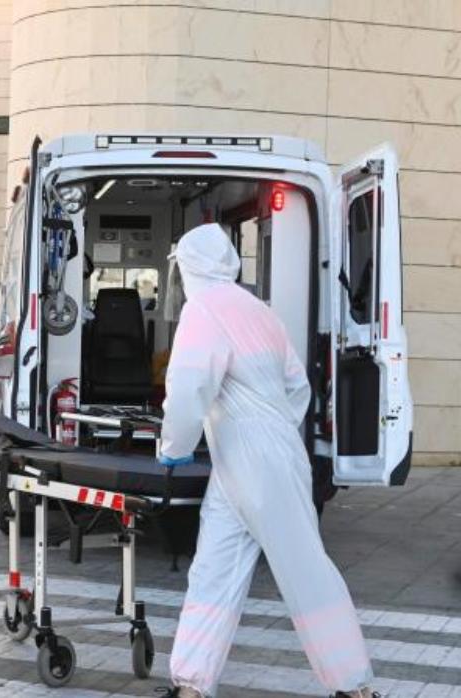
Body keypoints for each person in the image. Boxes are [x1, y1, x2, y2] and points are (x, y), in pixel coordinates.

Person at [157, 224, 377, 698]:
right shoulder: (260, 311)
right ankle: (191, 685)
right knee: (213, 571)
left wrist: (172, 448)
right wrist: (271, 422)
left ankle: (355, 688)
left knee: (304, 571)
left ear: (189, 267)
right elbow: (298, 386)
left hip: (251, 460)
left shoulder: (202, 311)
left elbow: (190, 389)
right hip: (252, 461)